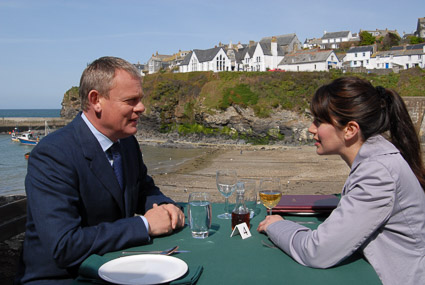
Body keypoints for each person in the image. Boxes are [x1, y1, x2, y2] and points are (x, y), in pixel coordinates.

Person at [15, 56, 185, 284]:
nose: (141, 107)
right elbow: (65, 245)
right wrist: (144, 225)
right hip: (63, 277)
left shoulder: (125, 142)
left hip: (115, 265)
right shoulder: (53, 155)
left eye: (140, 99)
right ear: (96, 100)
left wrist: (163, 205)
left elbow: (143, 189)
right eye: (131, 100)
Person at [257, 76, 425, 285]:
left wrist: (277, 225)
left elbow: (316, 251)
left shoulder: (378, 174)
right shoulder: (378, 158)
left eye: (319, 121)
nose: (311, 129)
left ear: (350, 130)